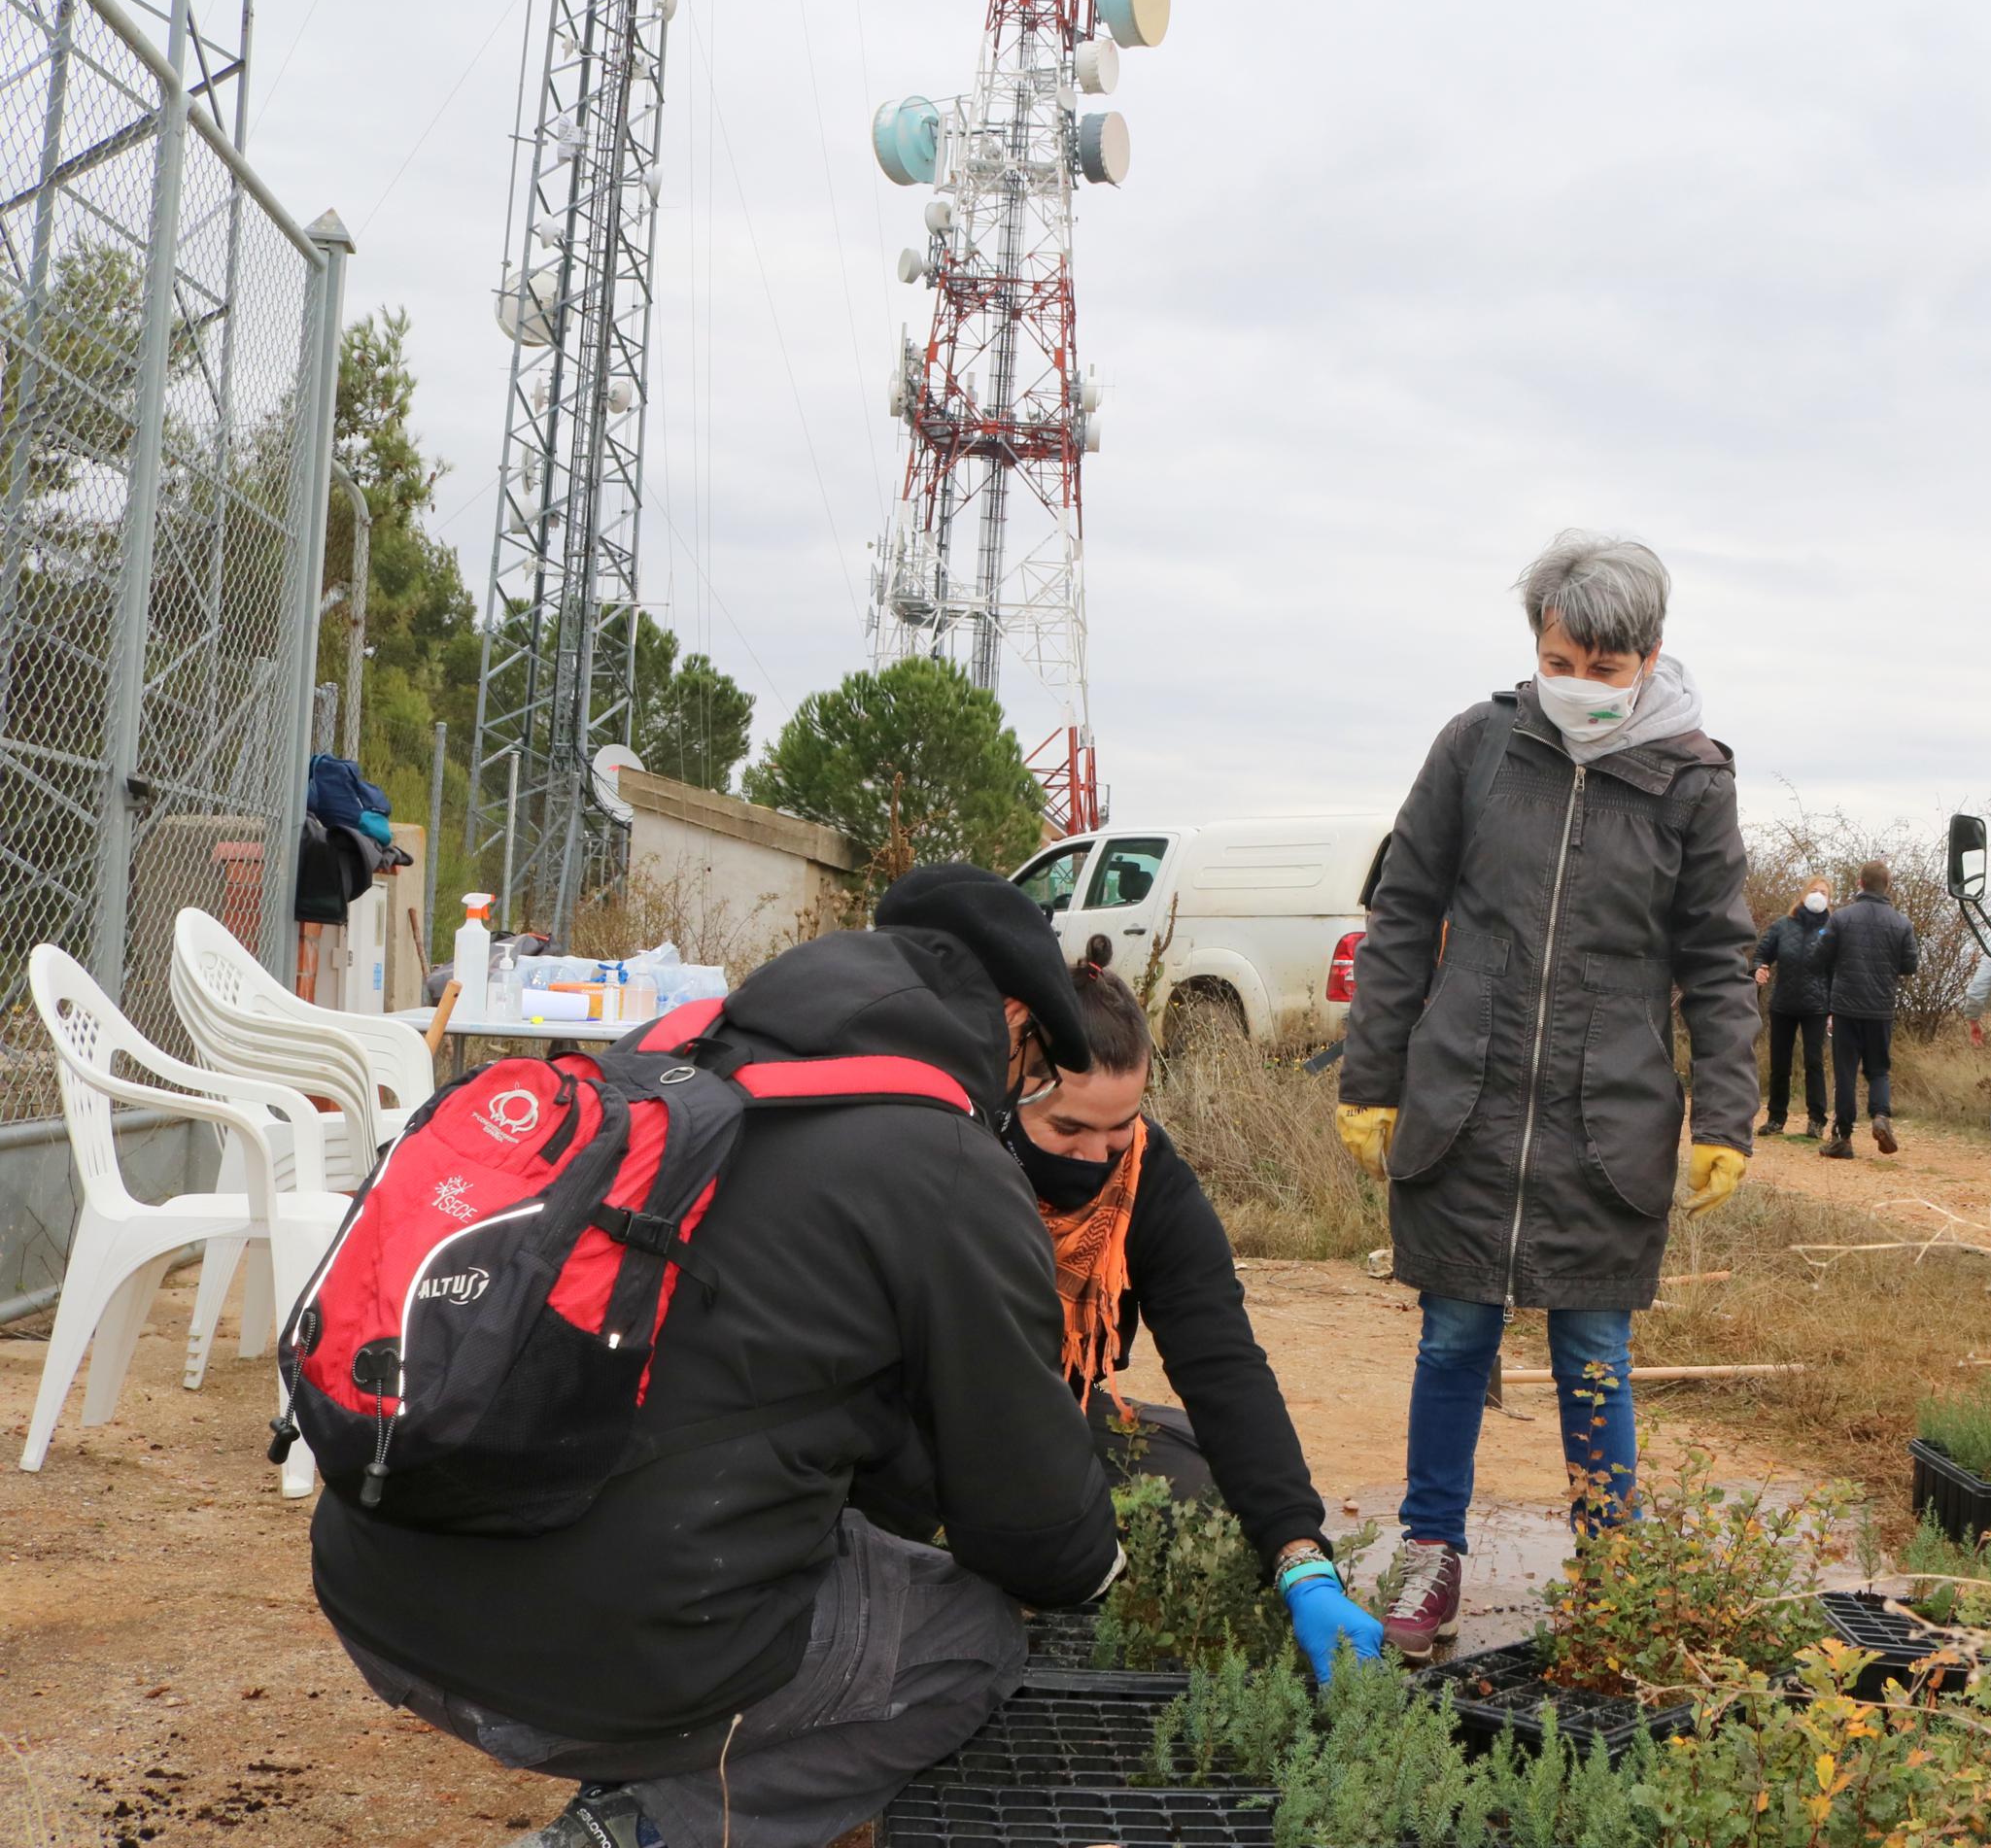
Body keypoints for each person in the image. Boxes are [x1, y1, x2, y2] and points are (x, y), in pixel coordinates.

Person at [312, 865, 1126, 1848]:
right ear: (1005, 1016)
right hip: (570, 1667)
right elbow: (1033, 1527)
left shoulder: (660, 1058)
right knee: (971, 1642)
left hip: (381, 1590)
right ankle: (644, 1828)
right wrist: (1097, 1564)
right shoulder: (945, 1161)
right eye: (1033, 1064)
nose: (1022, 1088)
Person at [1334, 530, 1759, 1657]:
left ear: (1652, 655)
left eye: (1604, 667)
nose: (1577, 683)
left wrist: (1726, 1116)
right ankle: (1433, 1554)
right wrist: (1371, 1077)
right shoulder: (1477, 746)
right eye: (1559, 658)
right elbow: (1399, 914)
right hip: (1467, 1094)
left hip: (1605, 1113)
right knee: (1452, 1335)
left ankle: (1611, 1572)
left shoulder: (1691, 780)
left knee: (1594, 1352)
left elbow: (1719, 960)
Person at [1007, 935, 1387, 1681]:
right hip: (938, 1427)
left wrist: (1300, 1559)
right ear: (1015, 1088)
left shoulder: (1152, 1178)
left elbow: (1221, 1364)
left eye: (1118, 1128)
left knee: (1213, 1510)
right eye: (1069, 1130)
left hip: (1064, 1406)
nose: (1095, 1155)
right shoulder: (960, 1159)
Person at [1820, 859, 1917, 1160]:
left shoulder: (1840, 918)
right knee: (1878, 1070)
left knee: (1845, 1072)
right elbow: (1909, 965)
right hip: (1881, 1008)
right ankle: (1881, 1116)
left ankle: (1843, 1138)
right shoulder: (1901, 922)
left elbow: (1819, 956)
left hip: (1846, 1006)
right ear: (1887, 886)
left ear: (1860, 883)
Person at [1751, 878, 1835, 1137]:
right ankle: (1776, 1118)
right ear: (1803, 894)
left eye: (1823, 893)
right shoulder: (1782, 926)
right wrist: (1759, 968)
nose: (1818, 896)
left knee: (1813, 1062)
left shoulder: (1833, 929)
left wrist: (1834, 1008)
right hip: (1783, 1004)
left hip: (1817, 1006)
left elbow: (1837, 970)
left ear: (1829, 899)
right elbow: (1761, 953)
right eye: (1814, 891)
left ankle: (1817, 1120)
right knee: (1780, 1063)